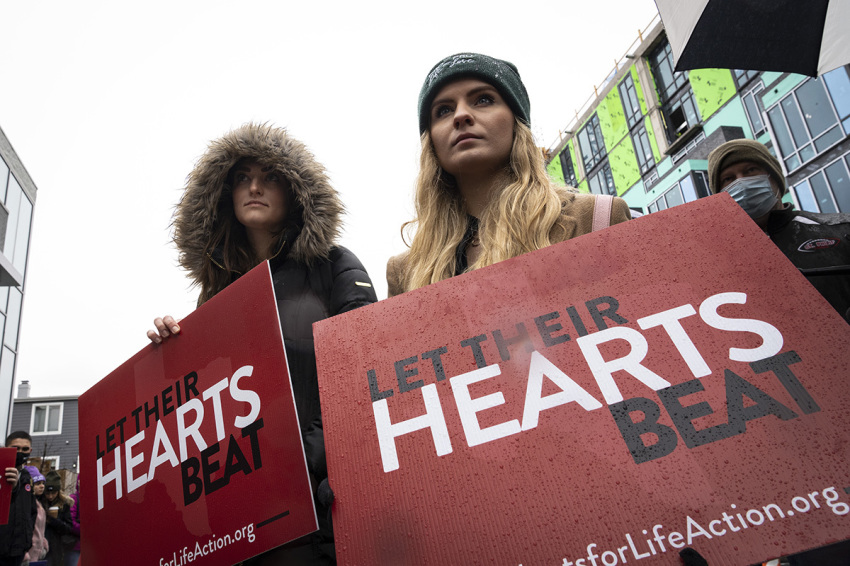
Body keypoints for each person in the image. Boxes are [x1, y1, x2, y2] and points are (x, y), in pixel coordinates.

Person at [148, 122, 378, 564]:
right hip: (243, 520)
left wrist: (296, 463)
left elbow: (361, 376)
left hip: (325, 506)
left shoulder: (336, 266)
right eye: (242, 178)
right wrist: (171, 356)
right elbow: (210, 409)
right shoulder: (214, 297)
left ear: (294, 191)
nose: (254, 187)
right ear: (225, 195)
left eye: (270, 176)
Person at [387, 53, 631, 296]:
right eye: (443, 111)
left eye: (483, 99)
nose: (461, 115)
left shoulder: (599, 219)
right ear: (430, 141)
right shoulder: (404, 272)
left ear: (517, 122)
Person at [707, 139, 850, 323]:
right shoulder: (719, 264)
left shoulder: (840, 228)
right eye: (728, 179)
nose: (741, 182)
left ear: (773, 177)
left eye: (750, 170)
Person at [0, 432, 36, 566]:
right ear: (6, 448)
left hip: (19, 549)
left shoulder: (27, 476)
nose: (20, 452)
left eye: (25, 449)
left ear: (30, 451)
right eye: (16, 448)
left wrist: (27, 538)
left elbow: (32, 511)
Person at [39, 473, 71, 566]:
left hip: (55, 549)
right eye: (47, 493)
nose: (50, 496)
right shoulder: (39, 502)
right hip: (40, 547)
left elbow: (68, 529)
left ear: (58, 491)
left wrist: (53, 521)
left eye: (53, 493)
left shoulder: (64, 505)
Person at [22, 467, 48, 566]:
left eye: (43, 483)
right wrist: (24, 553)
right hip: (26, 554)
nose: (42, 486)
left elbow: (41, 529)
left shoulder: (38, 503)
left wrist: (44, 546)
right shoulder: (26, 503)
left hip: (37, 554)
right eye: (38, 484)